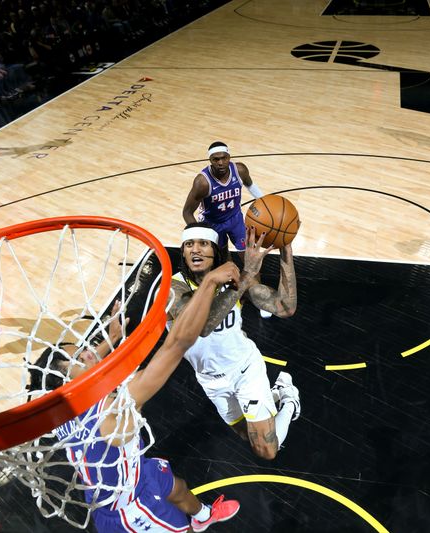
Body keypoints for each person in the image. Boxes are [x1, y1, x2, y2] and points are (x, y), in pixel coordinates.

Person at [30, 262, 242, 532]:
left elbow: (89, 364)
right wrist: (210, 283)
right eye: (77, 357)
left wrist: (112, 337)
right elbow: (177, 343)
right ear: (69, 380)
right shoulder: (116, 412)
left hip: (129, 475)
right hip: (130, 512)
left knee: (178, 487)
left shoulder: (57, 406)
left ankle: (202, 516)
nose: (89, 351)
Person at [171, 223, 300, 461]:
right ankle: (275, 394)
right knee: (246, 435)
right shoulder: (172, 288)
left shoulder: (233, 279)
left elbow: (284, 307)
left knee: (266, 450)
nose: (195, 250)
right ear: (183, 252)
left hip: (245, 370)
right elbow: (203, 326)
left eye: (203, 243)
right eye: (189, 244)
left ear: (215, 250)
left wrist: (286, 252)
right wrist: (247, 275)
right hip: (211, 381)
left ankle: (289, 398)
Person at [182, 141, 272, 318]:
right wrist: (200, 234)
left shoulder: (240, 170)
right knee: (224, 263)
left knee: (250, 258)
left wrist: (267, 205)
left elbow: (251, 186)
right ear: (210, 160)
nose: (220, 163)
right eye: (216, 159)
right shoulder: (202, 182)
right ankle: (233, 294)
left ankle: (260, 300)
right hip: (213, 225)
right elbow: (187, 212)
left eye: (223, 158)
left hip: (235, 220)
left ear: (229, 157)